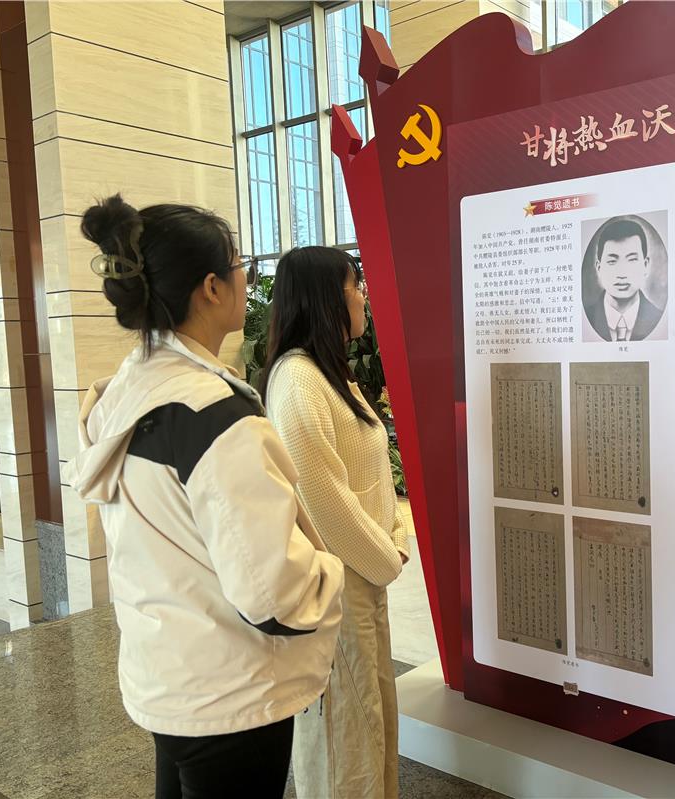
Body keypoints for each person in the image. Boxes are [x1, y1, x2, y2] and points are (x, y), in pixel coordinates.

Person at [64, 195, 344, 799]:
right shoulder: (213, 416)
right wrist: (330, 573)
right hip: (232, 692)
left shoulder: (127, 393)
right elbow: (273, 593)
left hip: (168, 676)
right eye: (240, 265)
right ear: (211, 288)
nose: (248, 279)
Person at [263, 246, 409, 799]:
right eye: (355, 285)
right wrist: (387, 556)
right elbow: (324, 501)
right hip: (340, 584)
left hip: (362, 579)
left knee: (370, 719)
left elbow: (369, 478)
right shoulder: (298, 381)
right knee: (346, 732)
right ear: (325, 298)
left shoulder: (329, 373)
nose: (363, 296)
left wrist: (394, 537)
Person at [583, 217, 664, 342]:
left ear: (646, 265)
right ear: (599, 268)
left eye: (632, 260)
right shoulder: (585, 318)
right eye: (612, 261)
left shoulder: (660, 318)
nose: (622, 273)